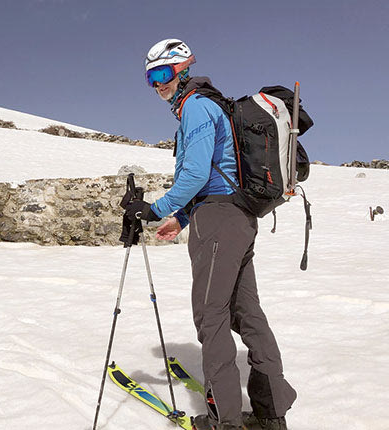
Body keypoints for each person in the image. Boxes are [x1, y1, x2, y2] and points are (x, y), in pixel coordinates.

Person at [124, 39, 296, 430]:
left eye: (163, 74)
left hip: (218, 223)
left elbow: (197, 174)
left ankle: (226, 421)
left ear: (183, 69)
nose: (157, 85)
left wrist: (154, 210)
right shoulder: (208, 106)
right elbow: (219, 175)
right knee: (247, 314)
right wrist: (181, 219)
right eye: (150, 78)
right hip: (235, 219)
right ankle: (271, 414)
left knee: (211, 316)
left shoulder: (196, 107)